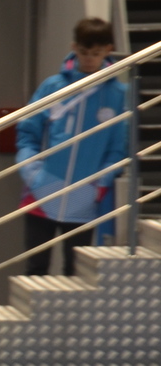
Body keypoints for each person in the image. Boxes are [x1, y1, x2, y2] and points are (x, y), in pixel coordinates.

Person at [17, 17, 128, 276]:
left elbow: (117, 149)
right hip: (42, 190)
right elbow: (27, 133)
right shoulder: (53, 87)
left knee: (75, 274)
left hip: (85, 195)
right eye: (84, 52)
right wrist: (33, 174)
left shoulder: (118, 94)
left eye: (97, 53)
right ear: (74, 47)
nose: (89, 59)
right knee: (35, 268)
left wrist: (100, 183)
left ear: (108, 50)